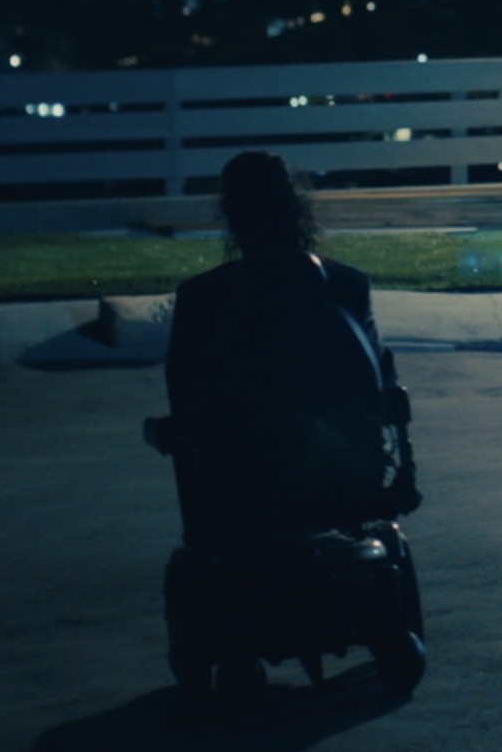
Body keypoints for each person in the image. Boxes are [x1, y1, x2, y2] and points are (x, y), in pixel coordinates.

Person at [163, 150, 408, 542]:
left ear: (231, 216)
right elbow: (379, 384)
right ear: (297, 210)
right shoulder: (347, 285)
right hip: (340, 483)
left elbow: (185, 402)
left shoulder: (201, 298)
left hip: (240, 491)